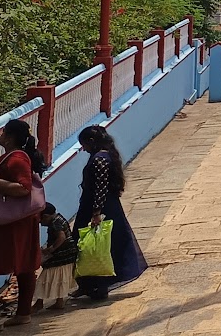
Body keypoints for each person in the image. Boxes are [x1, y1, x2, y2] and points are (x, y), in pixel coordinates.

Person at [0, 118, 45, 331]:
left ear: (9, 136)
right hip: (17, 223)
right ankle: (22, 313)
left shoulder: (16, 159)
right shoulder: (13, 157)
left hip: (10, 224)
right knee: (24, 265)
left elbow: (23, 188)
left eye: (3, 132)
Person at [72, 126, 148, 301]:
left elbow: (100, 188)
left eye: (84, 144)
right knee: (89, 245)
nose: (83, 149)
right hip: (101, 206)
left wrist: (96, 213)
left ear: (91, 142)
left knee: (100, 246)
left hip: (100, 208)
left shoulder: (100, 160)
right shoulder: (105, 156)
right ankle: (88, 284)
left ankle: (97, 285)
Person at [36, 203, 77, 312]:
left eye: (40, 220)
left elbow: (61, 237)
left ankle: (39, 302)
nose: (40, 223)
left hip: (61, 255)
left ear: (45, 216)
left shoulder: (54, 224)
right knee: (61, 277)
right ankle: (59, 301)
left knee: (45, 277)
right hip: (69, 253)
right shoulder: (60, 218)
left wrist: (51, 249)